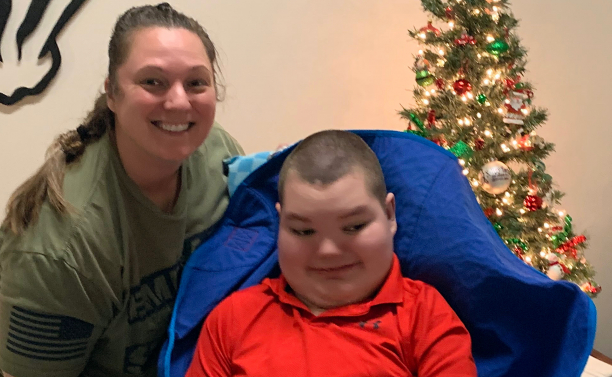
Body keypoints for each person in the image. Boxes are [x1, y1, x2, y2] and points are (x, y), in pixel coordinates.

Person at [0, 3, 244, 377]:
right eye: (153, 81)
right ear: (112, 94)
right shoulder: (62, 247)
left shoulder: (219, 154)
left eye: (196, 82)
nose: (179, 101)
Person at [185, 130, 477, 377]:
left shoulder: (426, 317)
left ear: (389, 215)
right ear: (280, 223)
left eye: (353, 227)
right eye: (303, 231)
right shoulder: (232, 319)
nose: (328, 251)